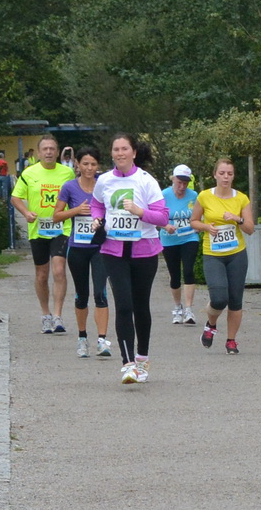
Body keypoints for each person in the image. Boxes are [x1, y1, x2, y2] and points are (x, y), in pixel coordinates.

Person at [92, 134, 170, 383]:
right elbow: (96, 204)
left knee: (140, 306)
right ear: (111, 153)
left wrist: (140, 212)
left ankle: (142, 358)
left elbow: (163, 217)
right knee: (123, 305)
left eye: (124, 148)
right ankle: (127, 365)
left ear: (134, 152)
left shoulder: (146, 181)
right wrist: (97, 219)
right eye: (116, 149)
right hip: (113, 251)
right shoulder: (104, 180)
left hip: (144, 251)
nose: (120, 153)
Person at [9, 135, 73, 334]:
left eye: (52, 148)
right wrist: (26, 213)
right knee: (42, 274)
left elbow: (76, 194)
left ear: (57, 152)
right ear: (38, 152)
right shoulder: (29, 173)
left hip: (62, 228)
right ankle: (46, 314)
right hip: (38, 230)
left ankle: (58, 316)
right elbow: (15, 197)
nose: (49, 152)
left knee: (59, 270)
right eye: (45, 149)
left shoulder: (67, 173)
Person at [55, 147, 114, 358]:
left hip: (100, 248)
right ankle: (82, 338)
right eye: (85, 164)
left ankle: (102, 340)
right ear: (77, 165)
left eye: (93, 164)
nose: (89, 168)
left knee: (100, 293)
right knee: (82, 295)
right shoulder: (69, 187)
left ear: (98, 165)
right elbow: (56, 216)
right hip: (78, 248)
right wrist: (76, 211)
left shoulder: (104, 185)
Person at [194, 159, 255, 355]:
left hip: (236, 254)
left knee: (235, 300)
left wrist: (237, 219)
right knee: (219, 298)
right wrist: (206, 227)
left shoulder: (241, 198)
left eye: (229, 173)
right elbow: (193, 221)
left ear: (233, 176)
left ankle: (231, 340)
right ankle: (211, 325)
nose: (226, 177)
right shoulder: (204, 196)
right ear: (215, 175)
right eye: (222, 173)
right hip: (213, 254)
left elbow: (250, 229)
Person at [160, 164, 201, 325]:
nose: (182, 186)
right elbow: (154, 216)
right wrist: (165, 226)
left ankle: (189, 310)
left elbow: (199, 215)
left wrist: (199, 224)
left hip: (189, 237)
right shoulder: (163, 195)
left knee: (189, 270)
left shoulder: (193, 195)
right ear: (173, 179)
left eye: (185, 183)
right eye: (179, 182)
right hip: (169, 239)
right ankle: (177, 307)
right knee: (175, 275)